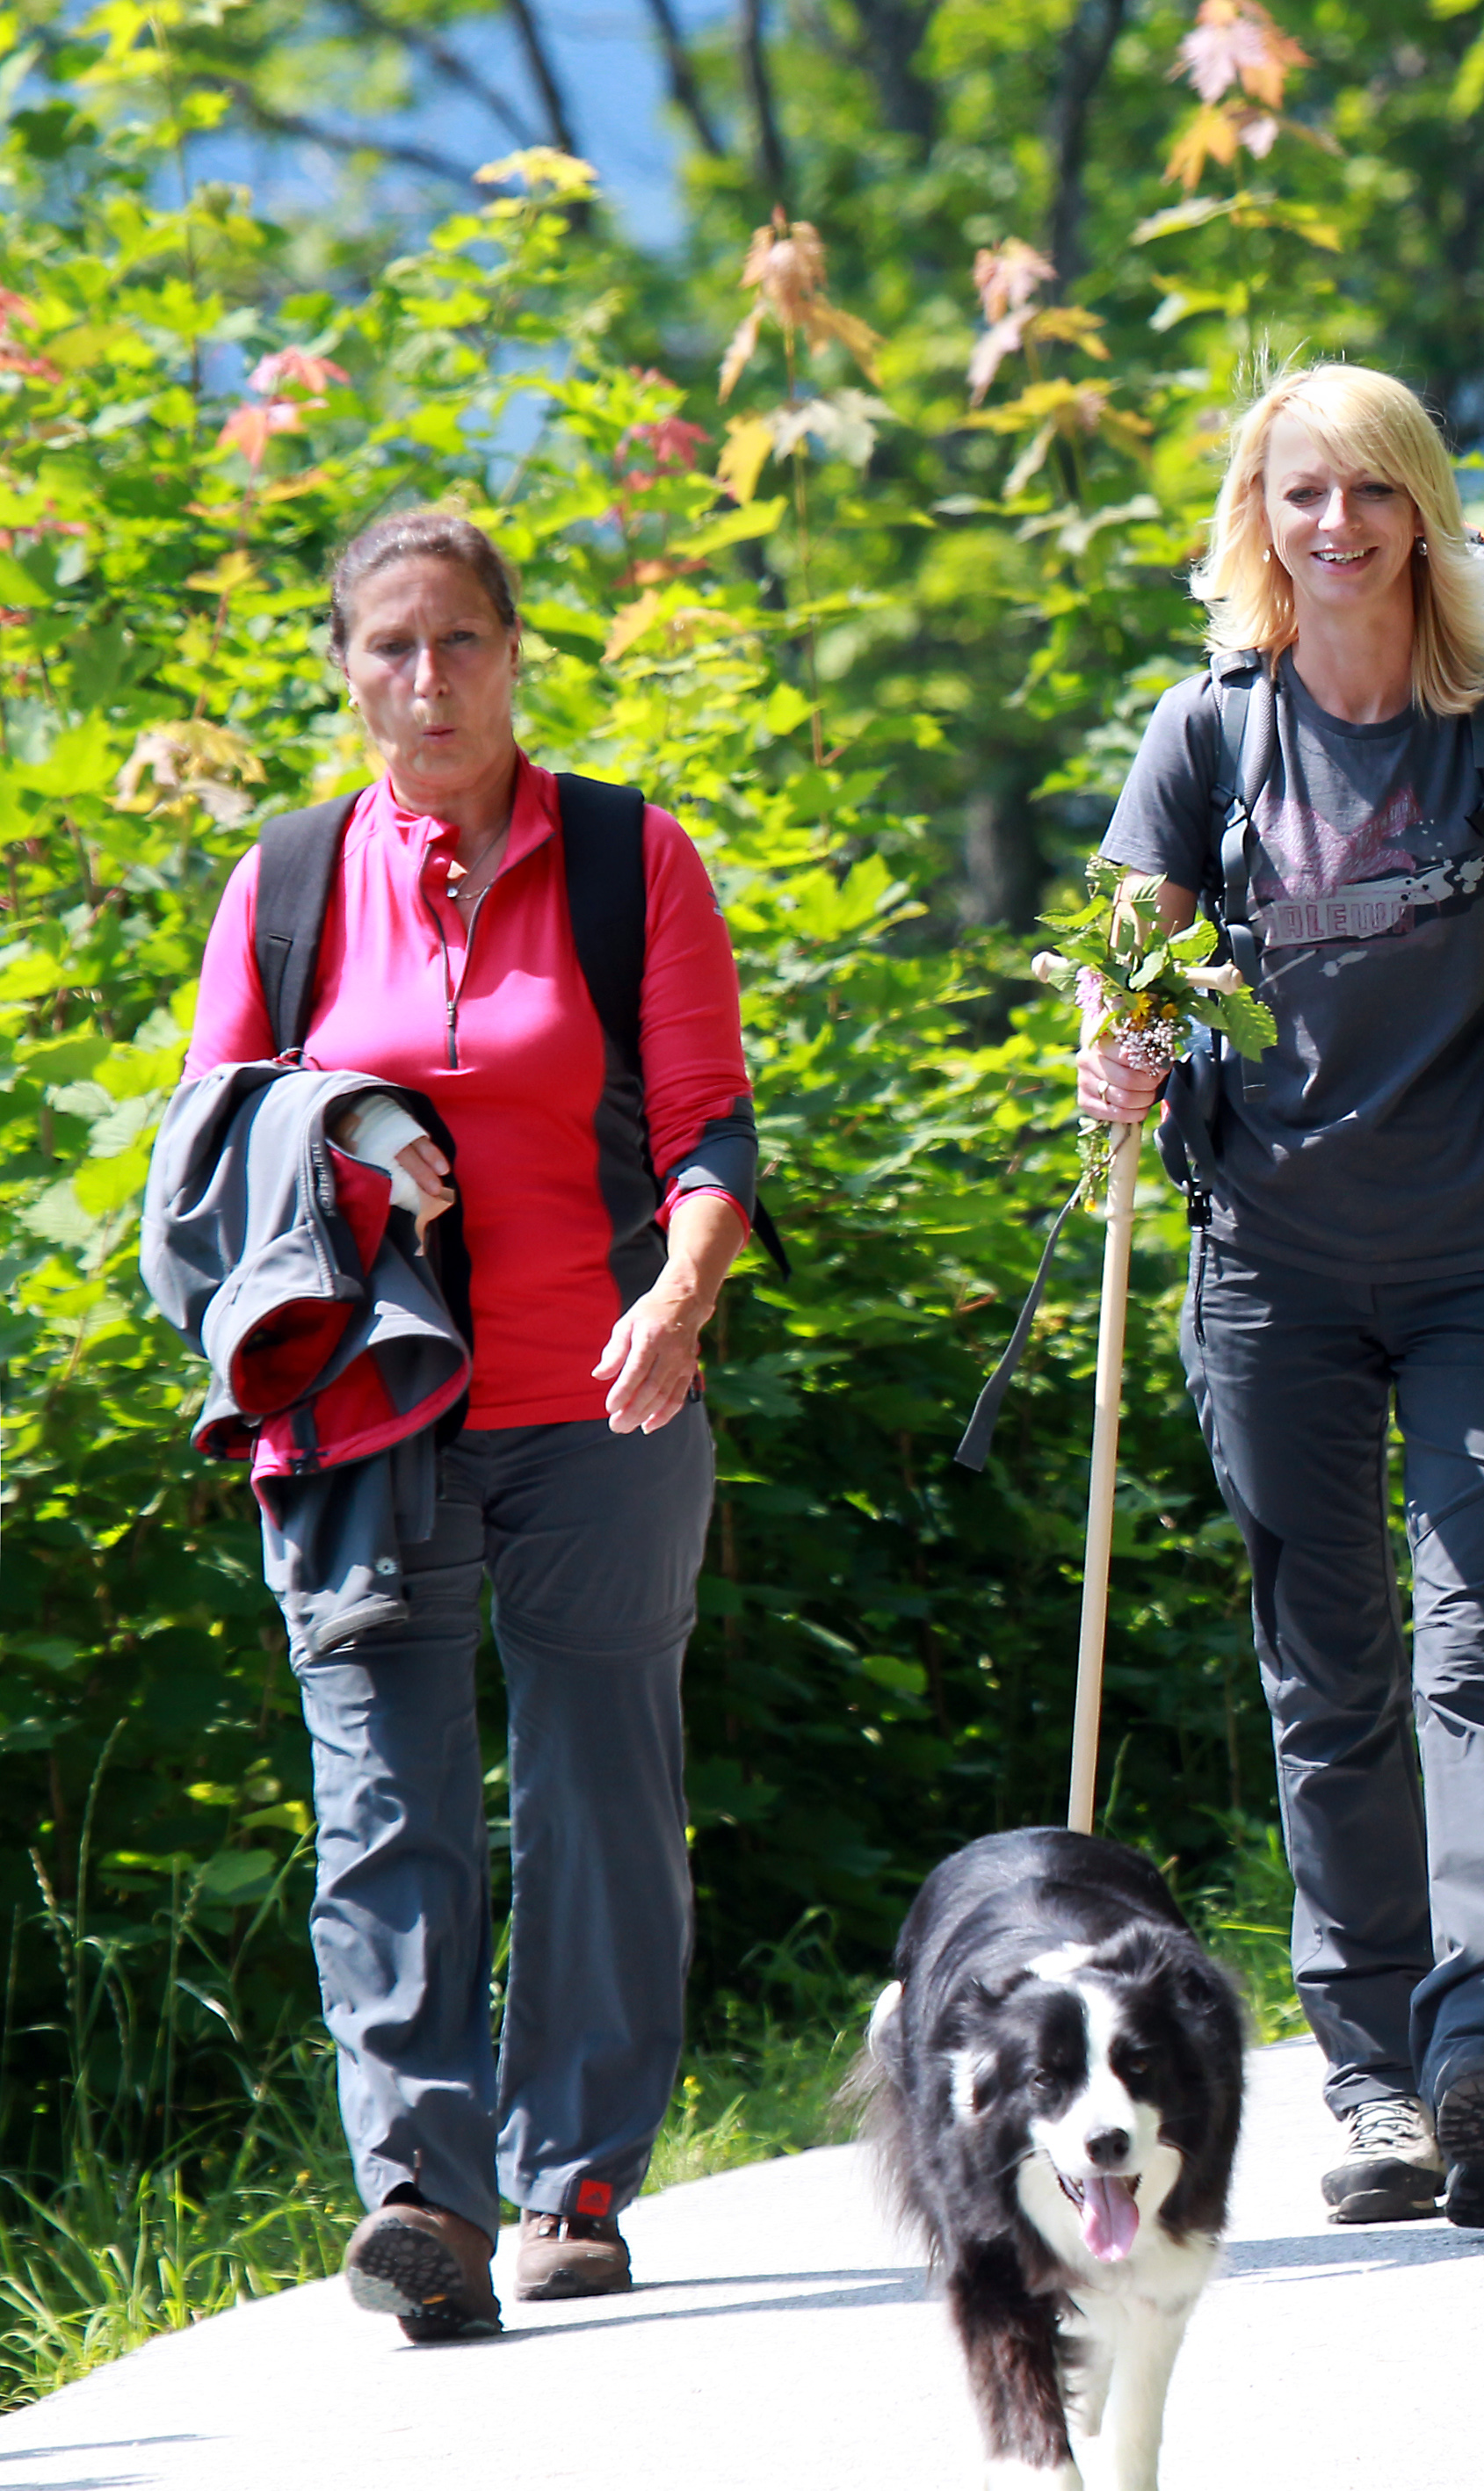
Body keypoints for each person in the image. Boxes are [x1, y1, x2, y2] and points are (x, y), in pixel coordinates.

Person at [175, 510, 761, 2339]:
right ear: (345, 670)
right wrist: (330, 1122)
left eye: (459, 643)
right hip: (358, 1413)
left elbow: (709, 1133)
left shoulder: (624, 856)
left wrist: (678, 1294)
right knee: (382, 1803)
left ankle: (575, 2178)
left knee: (600, 1789)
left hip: (601, 1392)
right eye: (391, 649)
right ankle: (423, 2192)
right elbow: (204, 1147)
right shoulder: (285, 879)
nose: (428, 681)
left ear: (516, 651)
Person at [1075, 365, 1484, 2232]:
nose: (1339, 525)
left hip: (1482, 1250)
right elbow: (1119, 971)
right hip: (1267, 1261)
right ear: (1258, 518)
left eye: (1372, 490)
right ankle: (1366, 2068)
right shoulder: (1206, 736)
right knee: (1326, 1670)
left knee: (1476, 1638)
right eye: (1303, 494)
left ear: (1425, 512)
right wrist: (1113, 1057)